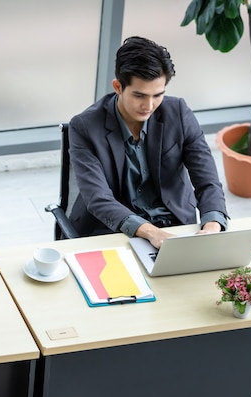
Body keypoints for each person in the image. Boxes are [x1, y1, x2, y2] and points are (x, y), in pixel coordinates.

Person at [67, 36, 228, 249]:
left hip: (174, 225)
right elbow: (98, 198)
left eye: (158, 95)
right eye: (139, 96)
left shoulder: (178, 112)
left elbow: (207, 180)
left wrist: (212, 225)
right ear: (118, 87)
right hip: (113, 232)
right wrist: (151, 233)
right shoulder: (84, 127)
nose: (149, 105)